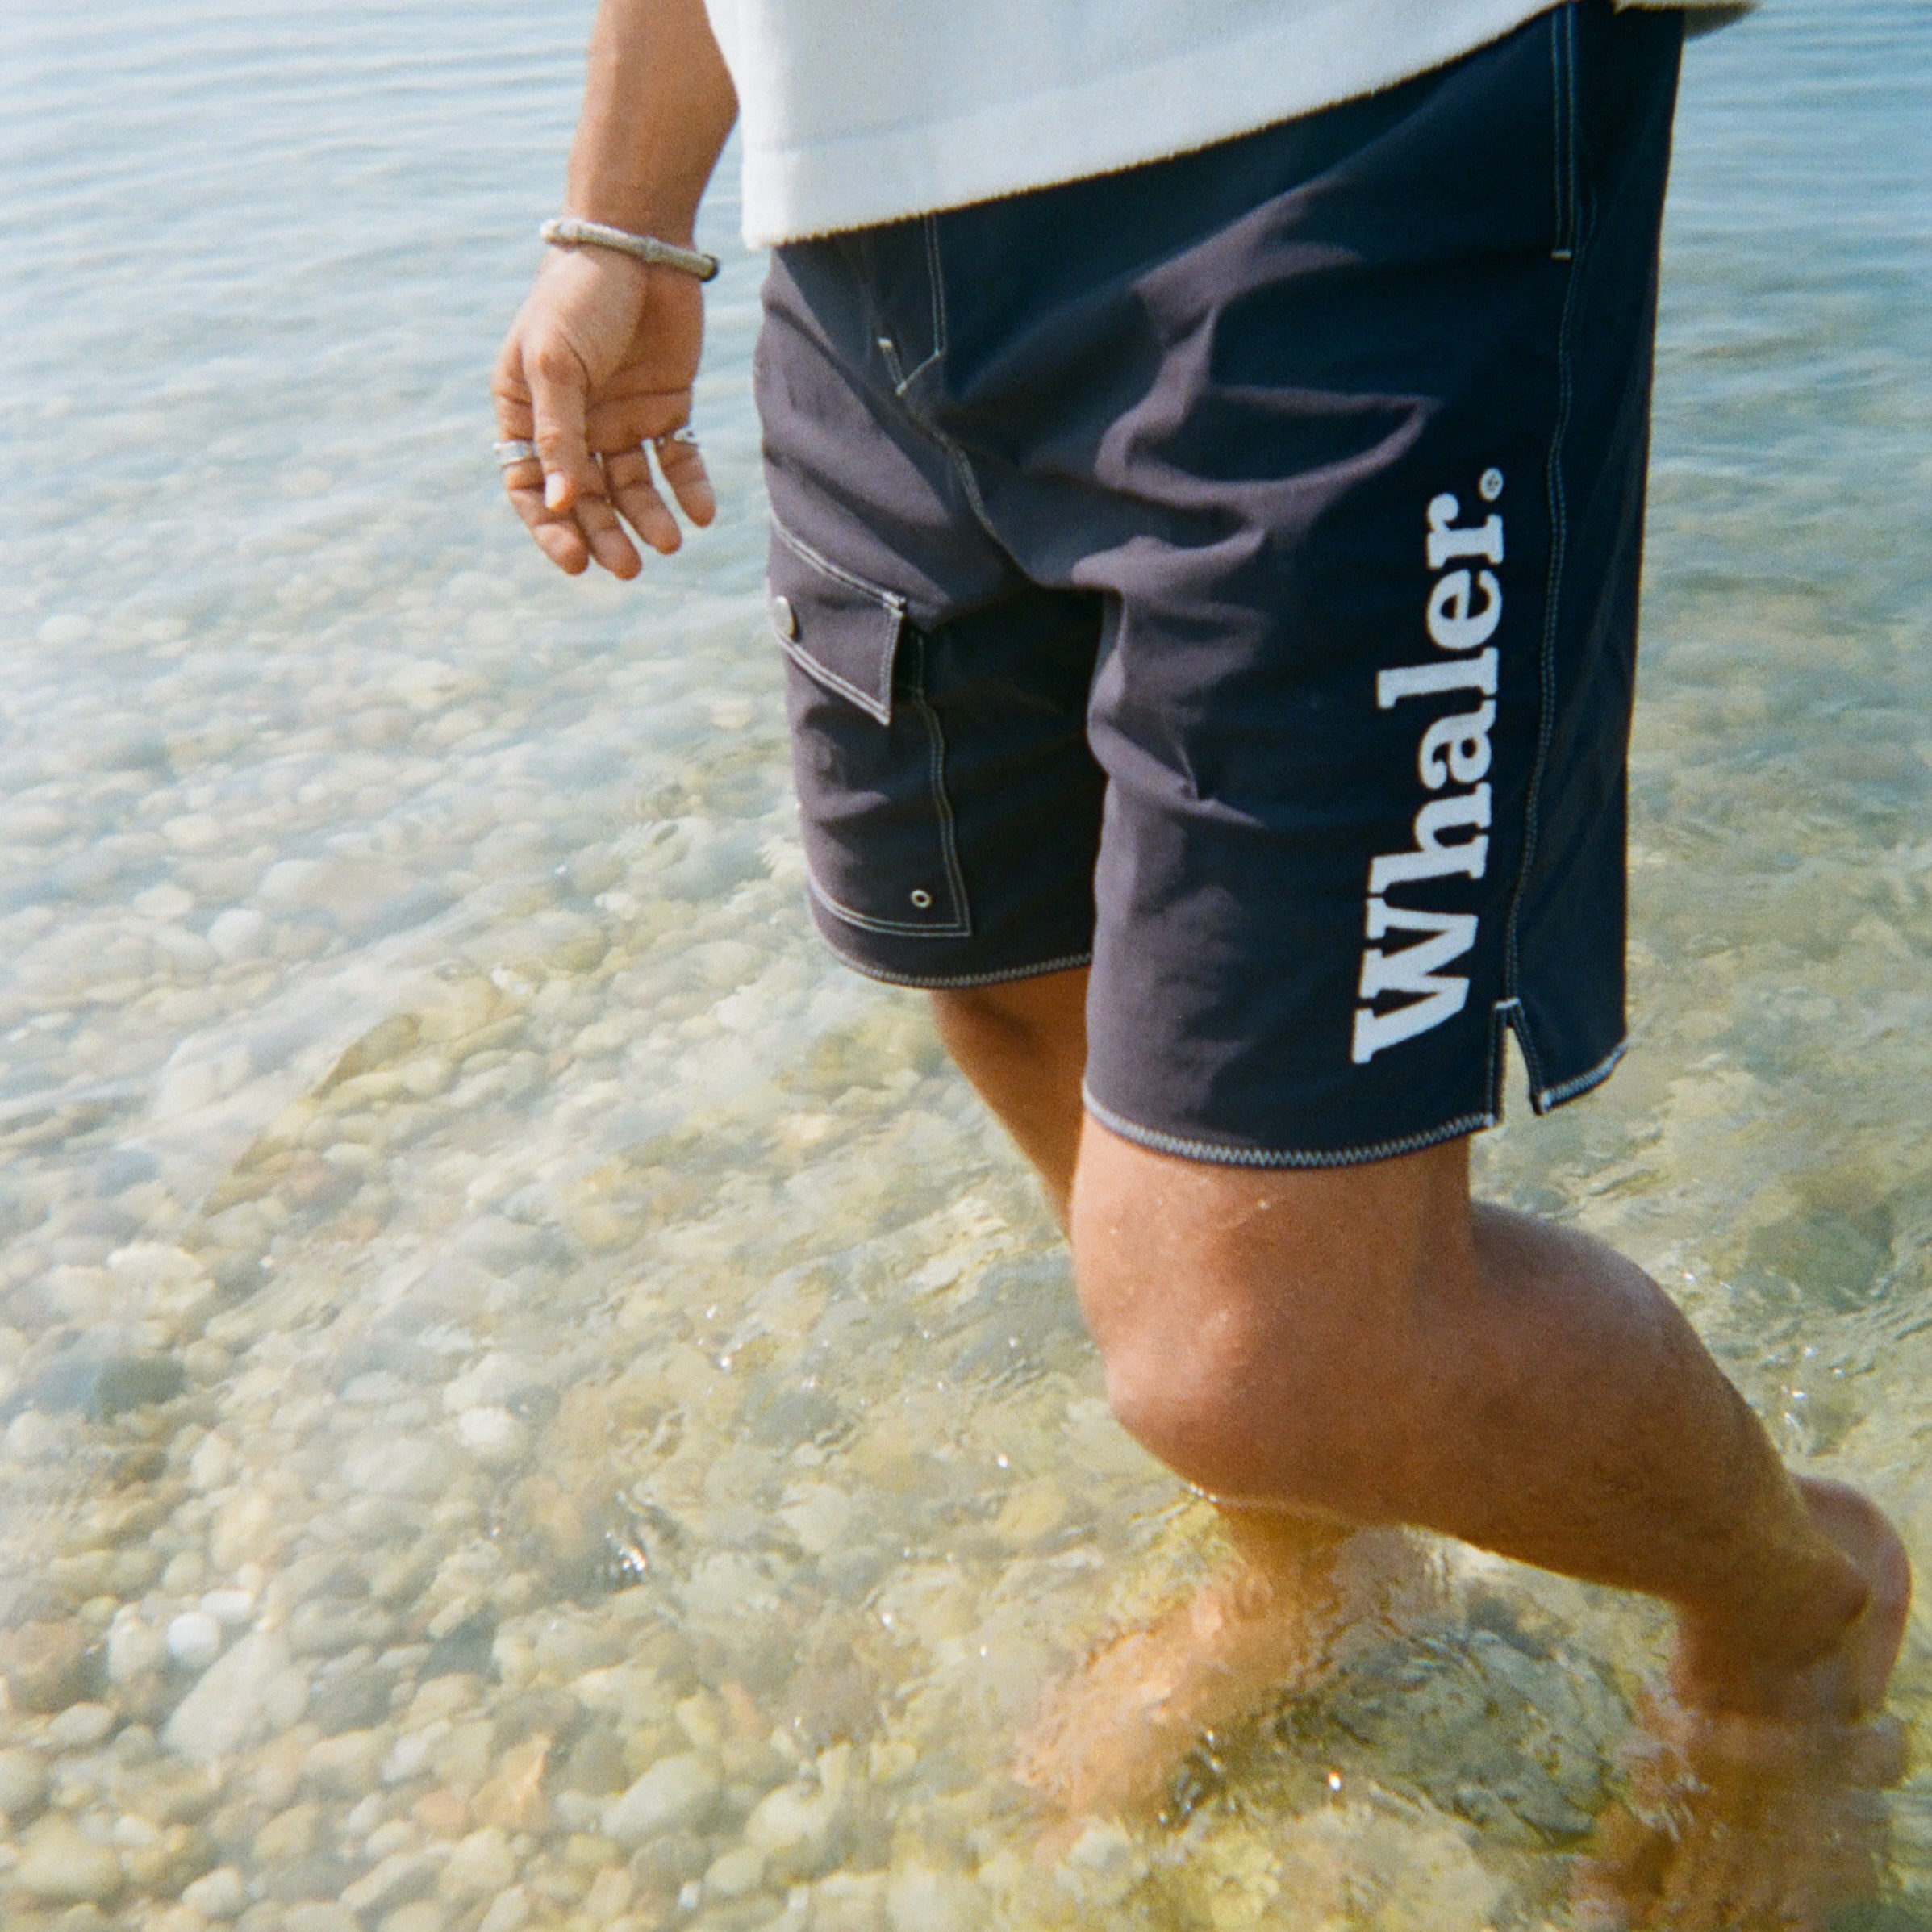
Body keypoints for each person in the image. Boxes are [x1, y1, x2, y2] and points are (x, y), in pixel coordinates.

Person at [490, 1, 1913, 1922]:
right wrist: (620, 225)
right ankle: (1315, 1566)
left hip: (1342, 141)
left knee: (1255, 1345)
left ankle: (1790, 1608)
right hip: (855, 248)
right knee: (997, 974)